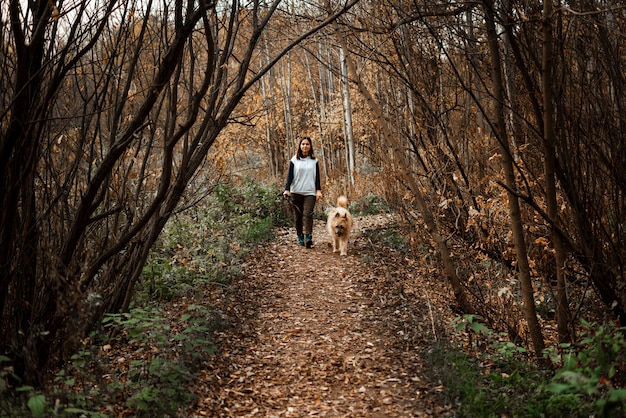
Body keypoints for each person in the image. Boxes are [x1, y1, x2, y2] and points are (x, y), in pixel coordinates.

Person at [283, 136, 322, 248]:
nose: (305, 146)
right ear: (300, 146)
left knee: (308, 214)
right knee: (298, 216)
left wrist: (318, 190)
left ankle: (308, 237)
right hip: (296, 192)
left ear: (310, 146)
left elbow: (317, 177)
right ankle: (300, 236)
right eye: (303, 144)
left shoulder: (314, 161)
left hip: (310, 192)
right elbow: (289, 176)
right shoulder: (294, 160)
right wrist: (287, 189)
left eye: (307, 144)